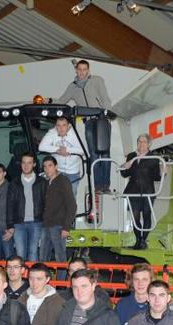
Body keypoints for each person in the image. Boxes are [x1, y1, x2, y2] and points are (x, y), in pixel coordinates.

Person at [51, 60, 112, 191]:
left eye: (85, 69)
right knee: (93, 154)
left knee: (105, 153)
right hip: (88, 122)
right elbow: (62, 101)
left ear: (88, 70)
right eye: (80, 70)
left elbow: (105, 98)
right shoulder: (73, 86)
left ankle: (105, 184)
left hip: (101, 119)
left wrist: (105, 114)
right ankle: (97, 185)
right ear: (76, 71)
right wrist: (49, 100)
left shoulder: (97, 80)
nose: (82, 72)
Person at [121, 134, 162, 250]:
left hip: (148, 191)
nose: (141, 144)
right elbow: (124, 174)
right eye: (139, 141)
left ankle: (143, 240)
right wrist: (125, 166)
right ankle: (139, 240)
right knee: (135, 217)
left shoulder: (153, 158)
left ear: (149, 144)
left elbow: (157, 177)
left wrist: (163, 172)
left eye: (143, 142)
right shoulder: (132, 155)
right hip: (133, 191)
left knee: (147, 215)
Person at [6, 153, 45, 262]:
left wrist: (45, 221)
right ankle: (22, 279)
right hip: (19, 224)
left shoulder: (41, 182)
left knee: (33, 252)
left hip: (36, 223)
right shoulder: (14, 182)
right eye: (24, 162)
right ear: (20, 164)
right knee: (20, 254)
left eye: (29, 163)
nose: (26, 165)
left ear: (34, 164)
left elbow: (46, 203)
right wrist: (10, 225)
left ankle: (33, 278)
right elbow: (10, 205)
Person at [40, 156, 76, 267]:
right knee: (43, 257)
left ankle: (61, 284)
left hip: (59, 225)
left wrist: (66, 227)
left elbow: (72, 205)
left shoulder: (63, 181)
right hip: (46, 225)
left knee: (60, 257)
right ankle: (43, 282)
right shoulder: (46, 182)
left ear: (56, 166)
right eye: (45, 167)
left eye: (50, 166)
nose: (47, 169)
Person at [38, 116, 85, 198]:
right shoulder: (52, 133)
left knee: (70, 197)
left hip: (72, 172)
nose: (61, 128)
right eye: (58, 125)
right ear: (55, 126)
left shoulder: (75, 134)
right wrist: (57, 149)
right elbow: (41, 147)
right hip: (58, 171)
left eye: (64, 125)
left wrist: (67, 150)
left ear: (68, 126)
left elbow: (83, 151)